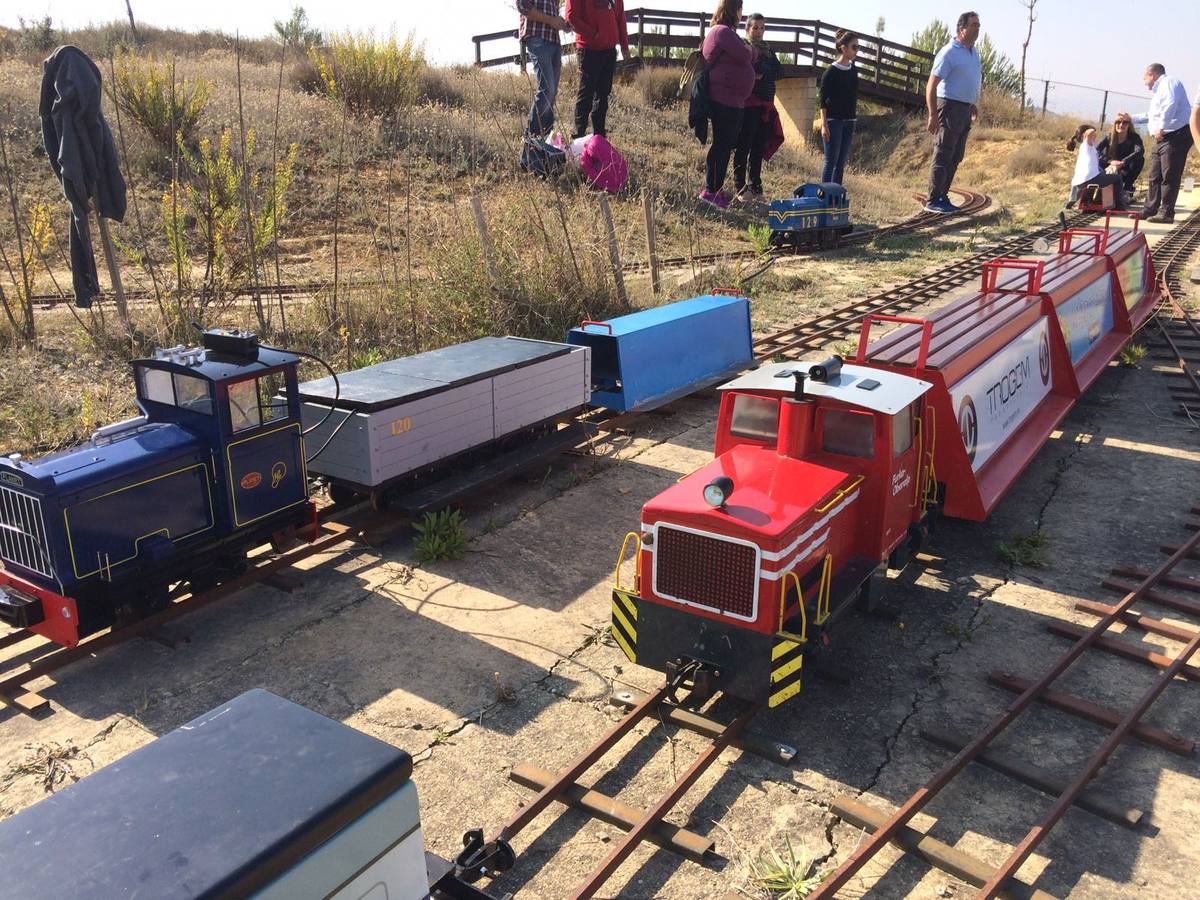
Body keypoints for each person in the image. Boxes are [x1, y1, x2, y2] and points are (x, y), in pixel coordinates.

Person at [923, 11, 982, 214]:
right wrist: (932, 114)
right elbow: (931, 85)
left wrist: (972, 103)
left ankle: (942, 195)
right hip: (948, 107)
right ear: (961, 28)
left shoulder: (974, 53)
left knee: (956, 155)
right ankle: (933, 199)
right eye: (973, 24)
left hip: (964, 109)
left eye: (978, 25)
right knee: (943, 153)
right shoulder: (949, 52)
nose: (977, 28)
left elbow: (969, 81)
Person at [699, 0, 755, 208]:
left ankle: (716, 189)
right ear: (735, 10)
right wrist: (748, 49)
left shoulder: (728, 34)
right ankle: (710, 190)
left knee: (725, 145)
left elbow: (752, 54)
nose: (742, 13)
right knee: (721, 145)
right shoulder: (722, 32)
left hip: (733, 100)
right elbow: (745, 54)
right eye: (740, 9)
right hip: (723, 99)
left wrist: (748, 50)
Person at [1131, 63, 1193, 224]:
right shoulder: (1159, 92)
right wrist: (1130, 118)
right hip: (1163, 137)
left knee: (1169, 175)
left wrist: (1162, 126)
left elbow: (1170, 104)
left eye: (1145, 79)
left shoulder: (1169, 82)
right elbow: (1151, 115)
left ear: (1151, 74)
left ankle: (1166, 213)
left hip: (1175, 135)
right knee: (1155, 175)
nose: (1145, 83)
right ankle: (1150, 209)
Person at [732, 13, 782, 199]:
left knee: (758, 147)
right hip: (750, 103)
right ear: (748, 29)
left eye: (762, 27)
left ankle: (756, 186)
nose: (759, 31)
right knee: (744, 145)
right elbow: (754, 71)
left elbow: (779, 71)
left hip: (766, 106)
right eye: (755, 27)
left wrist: (764, 74)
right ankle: (740, 187)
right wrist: (762, 72)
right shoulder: (745, 49)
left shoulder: (768, 50)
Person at [565, 0, 629, 140]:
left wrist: (624, 45)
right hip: (588, 49)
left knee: (603, 94)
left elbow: (620, 18)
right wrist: (593, 34)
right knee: (586, 93)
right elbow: (571, 17)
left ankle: (599, 138)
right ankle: (578, 136)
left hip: (609, 49)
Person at [518, 0, 571, 138]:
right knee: (547, 89)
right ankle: (531, 138)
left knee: (551, 93)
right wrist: (551, 20)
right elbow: (523, 6)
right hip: (537, 36)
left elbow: (551, 11)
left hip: (553, 39)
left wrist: (563, 25)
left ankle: (545, 140)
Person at [818, 29, 859, 185]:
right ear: (844, 48)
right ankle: (823, 197)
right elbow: (822, 100)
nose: (857, 51)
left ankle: (835, 199)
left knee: (841, 163)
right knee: (831, 161)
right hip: (833, 121)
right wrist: (824, 124)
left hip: (850, 121)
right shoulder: (831, 72)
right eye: (854, 47)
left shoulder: (854, 70)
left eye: (858, 47)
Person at [1065, 125, 1126, 210]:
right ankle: (1120, 207)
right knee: (1118, 178)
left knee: (1104, 173)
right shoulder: (1087, 144)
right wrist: (1091, 129)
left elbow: (1096, 167)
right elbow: (1090, 132)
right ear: (1085, 135)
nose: (1095, 135)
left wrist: (1111, 165)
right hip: (1091, 179)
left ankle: (1074, 201)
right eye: (1094, 134)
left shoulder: (1086, 148)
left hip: (1078, 182)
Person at [1096, 113, 1143, 202]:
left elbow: (1139, 151)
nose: (1121, 125)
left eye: (1125, 122)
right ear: (1115, 124)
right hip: (1109, 168)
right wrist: (1110, 161)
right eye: (1118, 122)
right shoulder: (1109, 136)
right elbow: (1096, 151)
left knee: (1139, 160)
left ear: (1129, 125)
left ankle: (1127, 188)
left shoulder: (1134, 137)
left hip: (1125, 169)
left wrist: (1123, 162)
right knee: (1096, 159)